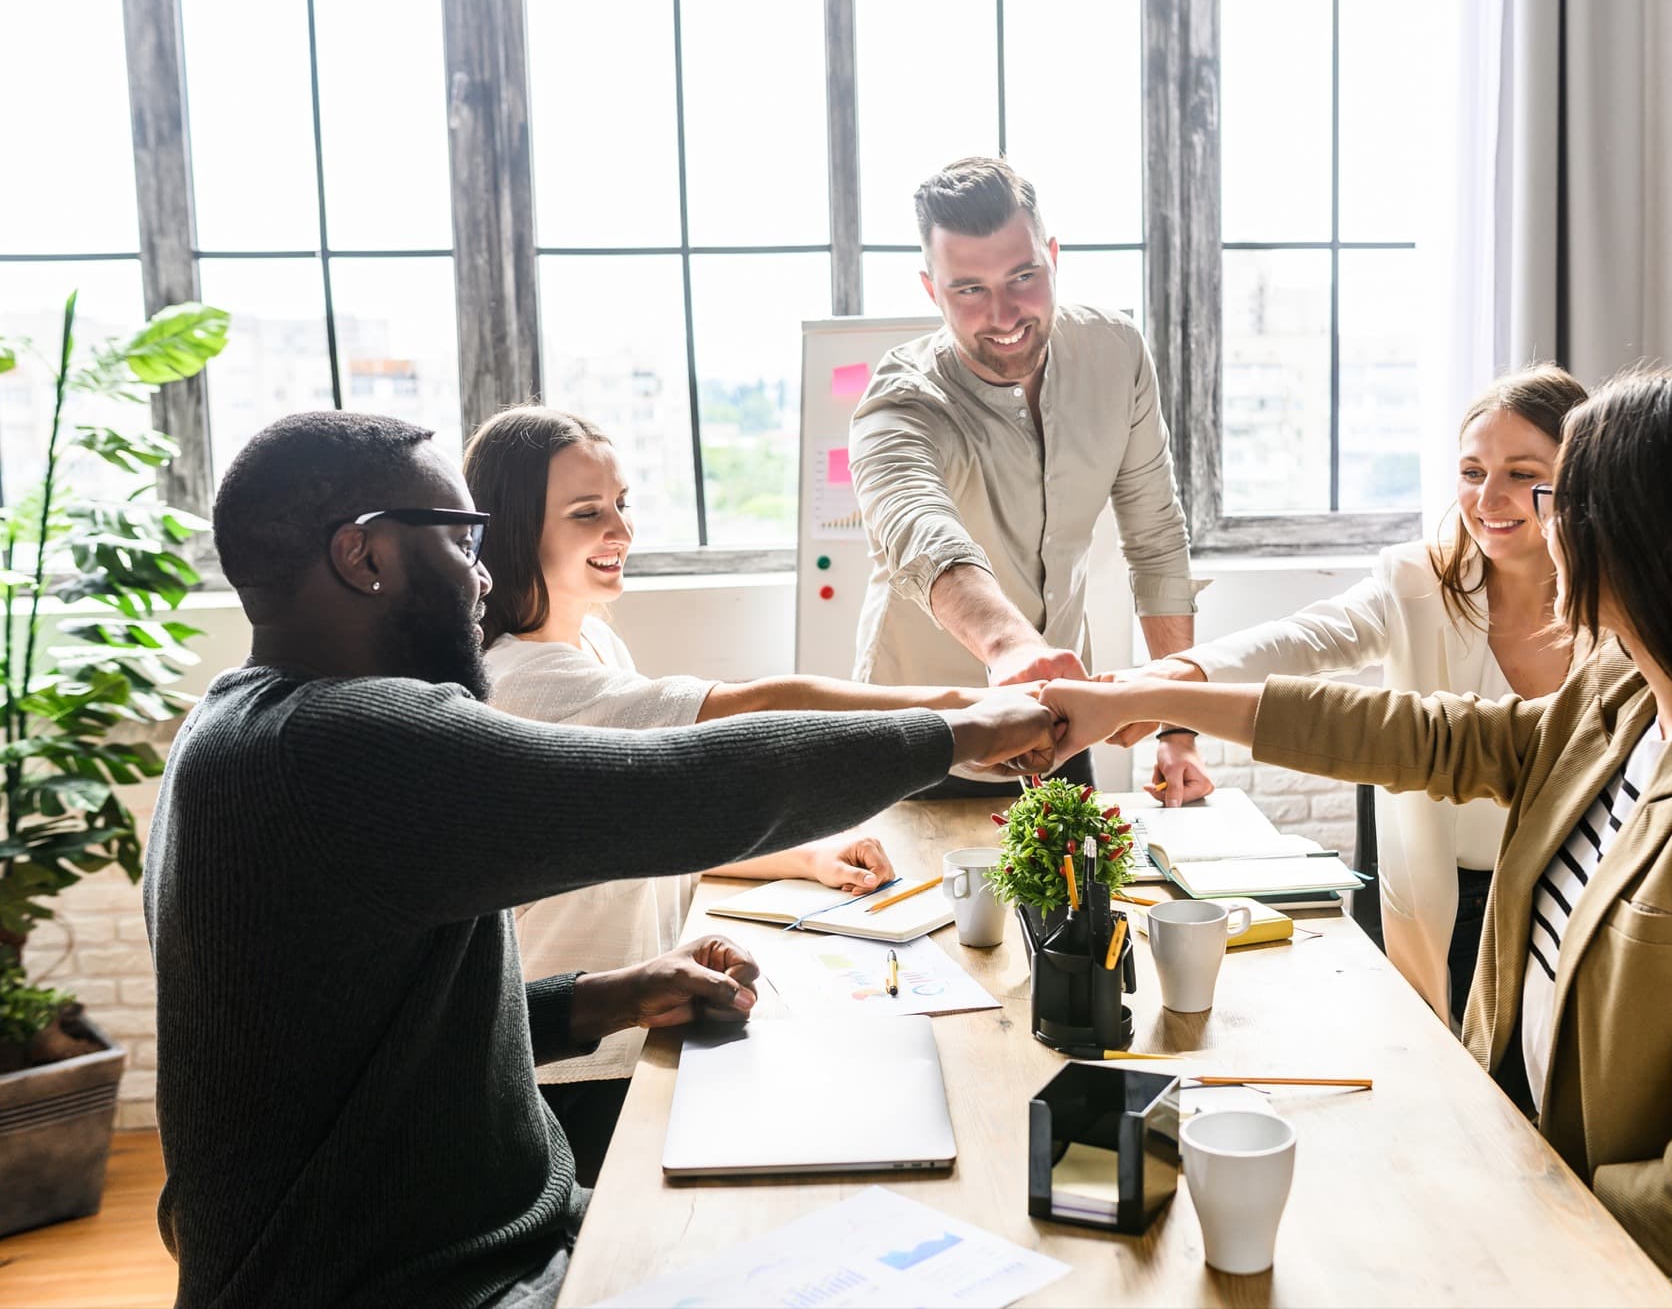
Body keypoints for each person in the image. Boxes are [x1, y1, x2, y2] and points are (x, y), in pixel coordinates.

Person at [1037, 370, 1672, 1306]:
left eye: (1561, 499)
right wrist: (1147, 698)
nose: (1543, 525)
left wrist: (1482, 1204)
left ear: (1660, 541)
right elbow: (1419, 733)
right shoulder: (1624, 691)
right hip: (1558, 1222)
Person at [141, 412, 1054, 1308]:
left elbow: (367, 1036)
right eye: (461, 539)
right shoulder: (341, 739)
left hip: (501, 1239)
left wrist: (601, 998)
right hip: (431, 1282)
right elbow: (685, 790)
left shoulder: (235, 724)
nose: (482, 572)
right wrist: (958, 729)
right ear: (363, 555)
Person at [462, 404, 1004, 1181]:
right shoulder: (530, 679)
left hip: (633, 1036)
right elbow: (755, 708)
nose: (620, 529)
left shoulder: (588, 640)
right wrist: (964, 713)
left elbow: (658, 820)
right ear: (515, 531)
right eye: (588, 513)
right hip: (570, 1074)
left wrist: (807, 858)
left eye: (623, 503)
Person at [1123, 364, 1587, 1024]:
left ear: (1578, 477)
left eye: (1520, 472)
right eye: (1472, 471)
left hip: (1570, 901)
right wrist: (1173, 678)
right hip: (1446, 903)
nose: (1488, 498)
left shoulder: (1618, 605)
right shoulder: (1415, 580)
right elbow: (1308, 638)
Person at [849, 155, 1207, 794]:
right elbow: (922, 533)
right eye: (970, 290)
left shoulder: (1116, 353)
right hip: (927, 738)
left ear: (1053, 256)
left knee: (1088, 896)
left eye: (1023, 276)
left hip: (1063, 724)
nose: (1007, 313)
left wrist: (1178, 730)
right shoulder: (899, 401)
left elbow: (1156, 539)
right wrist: (1011, 648)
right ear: (932, 291)